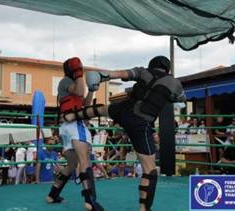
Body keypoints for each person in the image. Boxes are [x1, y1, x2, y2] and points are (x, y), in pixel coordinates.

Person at [61, 56, 186, 211]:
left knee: (101, 109)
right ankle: (144, 208)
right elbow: (181, 99)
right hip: (141, 122)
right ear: (168, 69)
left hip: (124, 109)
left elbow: (118, 74)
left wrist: (100, 76)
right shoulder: (175, 83)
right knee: (150, 170)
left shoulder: (143, 71)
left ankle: (72, 115)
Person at [47, 57, 104, 211]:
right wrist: (79, 75)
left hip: (67, 126)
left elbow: (84, 104)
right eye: (78, 69)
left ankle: (53, 194)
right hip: (74, 124)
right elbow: (79, 90)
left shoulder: (70, 84)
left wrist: (91, 90)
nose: (80, 71)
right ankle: (89, 201)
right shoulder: (66, 81)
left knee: (72, 163)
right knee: (84, 160)